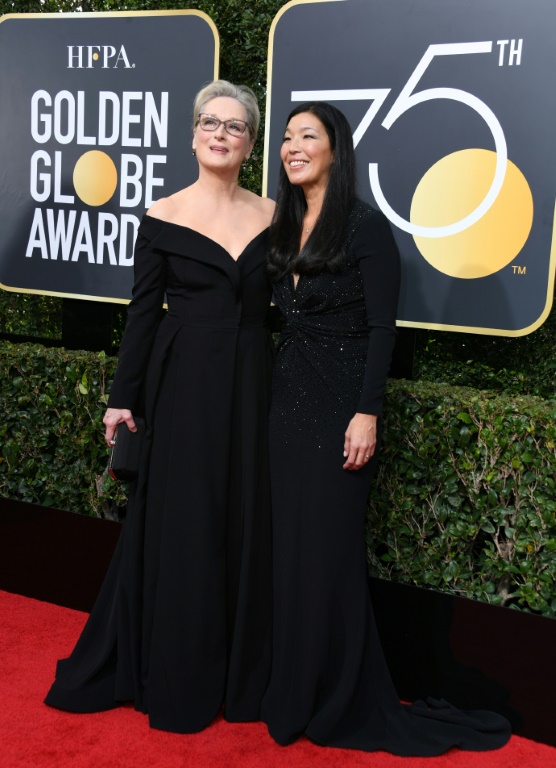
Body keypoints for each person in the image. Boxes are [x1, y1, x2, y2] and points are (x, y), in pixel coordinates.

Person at [261, 101, 511, 755]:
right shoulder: (282, 226)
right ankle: (290, 691)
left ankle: (338, 696)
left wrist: (367, 411)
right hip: (284, 411)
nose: (291, 147)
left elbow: (382, 329)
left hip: (341, 414)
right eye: (286, 137)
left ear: (336, 151)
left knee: (327, 563)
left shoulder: (366, 228)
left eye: (306, 136)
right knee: (288, 559)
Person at [45, 80, 276, 734]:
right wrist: (123, 399)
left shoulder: (271, 216)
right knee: (189, 521)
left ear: (250, 143)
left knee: (243, 515)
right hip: (185, 388)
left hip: (253, 382)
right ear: (194, 134)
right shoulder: (164, 212)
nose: (221, 133)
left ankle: (241, 670)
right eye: (211, 122)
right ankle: (179, 669)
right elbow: (142, 314)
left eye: (235, 126)